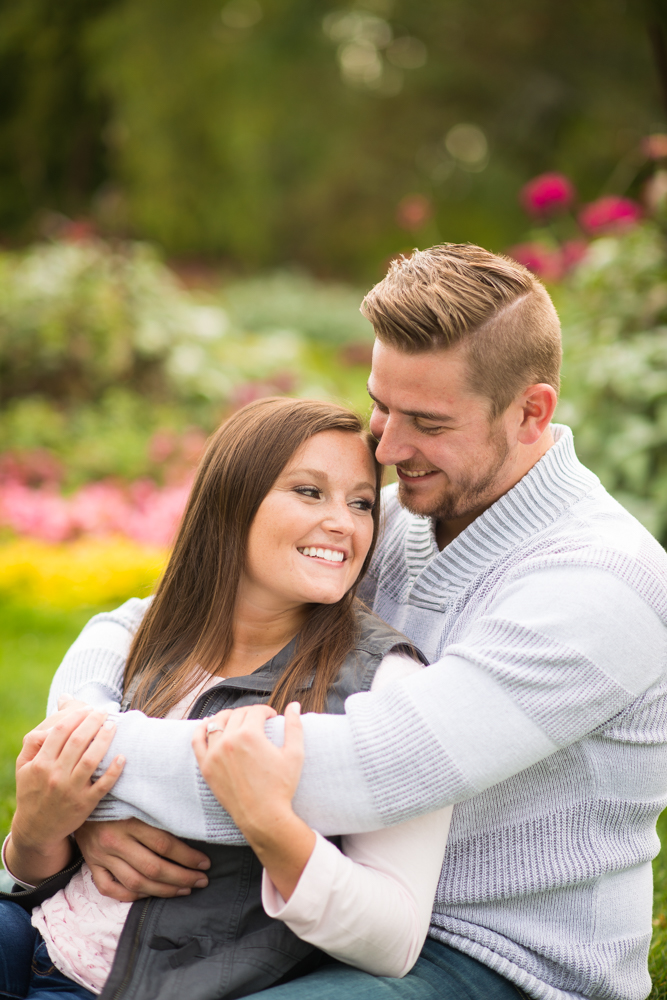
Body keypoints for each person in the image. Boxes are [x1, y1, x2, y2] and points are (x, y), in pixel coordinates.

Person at [15, 243, 667, 1000]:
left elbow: (362, 770)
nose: (386, 448)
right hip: (299, 919)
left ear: (531, 412)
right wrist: (76, 794)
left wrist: (92, 775)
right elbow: (135, 625)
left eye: (425, 421)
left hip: (493, 960)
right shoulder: (392, 522)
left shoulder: (602, 583)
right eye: (380, 406)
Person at [0, 397, 452, 999]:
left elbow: (391, 940)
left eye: (362, 502)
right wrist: (38, 833)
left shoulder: (385, 684)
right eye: (309, 492)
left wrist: (269, 824)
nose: (345, 523)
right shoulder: (143, 635)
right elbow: (28, 869)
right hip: (28, 935)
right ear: (231, 500)